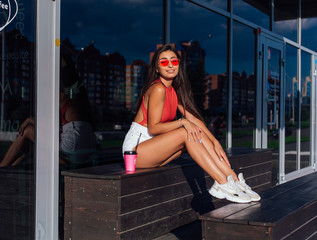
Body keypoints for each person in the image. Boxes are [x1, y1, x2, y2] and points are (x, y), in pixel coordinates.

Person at [122, 44, 260, 203]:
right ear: (157, 68)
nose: (170, 66)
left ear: (179, 65)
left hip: (153, 150)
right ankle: (221, 182)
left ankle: (233, 179)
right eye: (164, 62)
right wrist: (182, 122)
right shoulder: (158, 89)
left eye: (173, 61)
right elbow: (154, 127)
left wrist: (215, 143)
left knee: (195, 131)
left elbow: (194, 120)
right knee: (185, 131)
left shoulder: (173, 91)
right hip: (135, 152)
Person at [0, 53, 96, 167]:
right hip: (83, 152)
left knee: (29, 131)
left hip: (71, 152)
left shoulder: (63, 98)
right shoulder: (79, 100)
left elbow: (51, 129)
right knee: (31, 147)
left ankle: (2, 168)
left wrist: (30, 120)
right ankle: (5, 170)